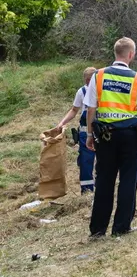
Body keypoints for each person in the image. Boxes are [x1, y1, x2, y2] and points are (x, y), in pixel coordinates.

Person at [84, 38, 137, 237]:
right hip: (130, 136)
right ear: (131, 55)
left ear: (115, 53)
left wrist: (89, 134)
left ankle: (98, 229)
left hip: (105, 135)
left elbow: (91, 109)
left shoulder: (98, 76)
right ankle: (121, 227)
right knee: (128, 180)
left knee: (104, 180)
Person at [55, 66, 99, 194]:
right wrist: (62, 123)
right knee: (85, 162)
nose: (88, 82)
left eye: (91, 79)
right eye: (86, 80)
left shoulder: (104, 90)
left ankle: (101, 188)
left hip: (102, 132)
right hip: (85, 133)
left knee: (103, 161)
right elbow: (74, 110)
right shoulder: (82, 92)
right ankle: (87, 191)